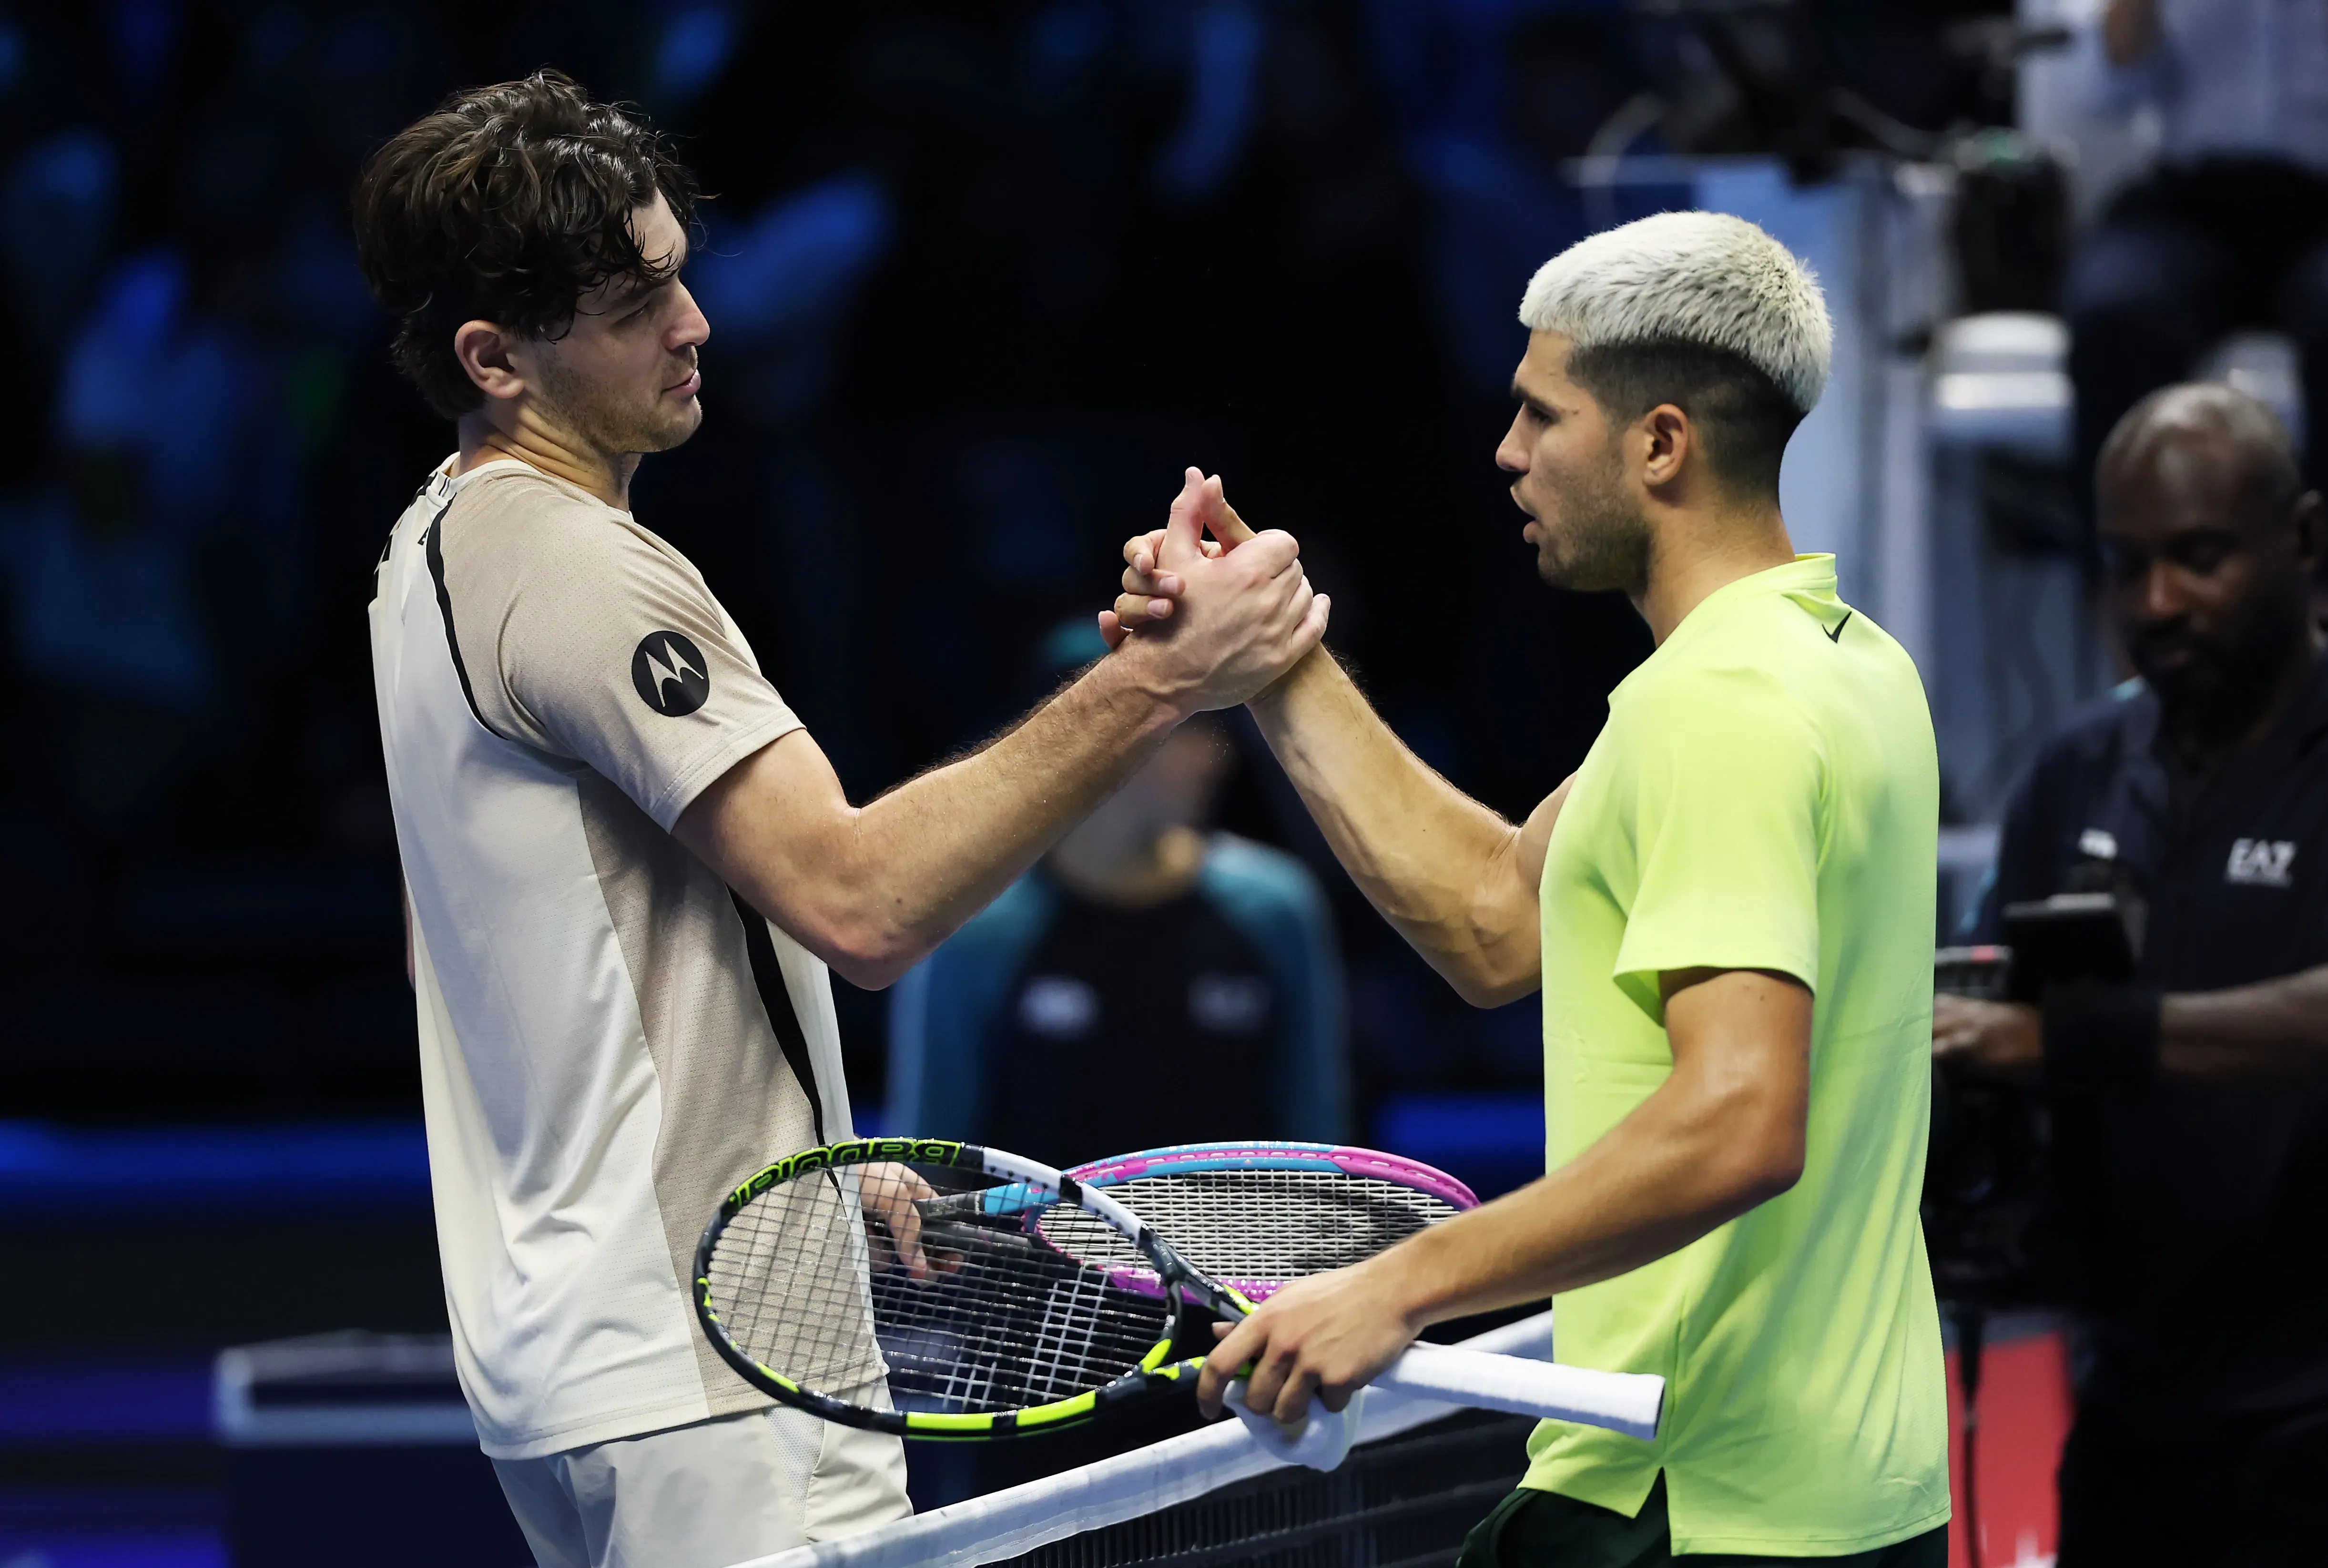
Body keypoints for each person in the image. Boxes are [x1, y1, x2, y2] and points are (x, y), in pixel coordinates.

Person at [354, 71, 1324, 1568]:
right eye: (633, 303)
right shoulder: (574, 568)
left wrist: (801, 1132)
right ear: (495, 357)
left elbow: (489, 948)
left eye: (678, 273)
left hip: (579, 1352)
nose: (695, 326)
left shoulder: (426, 548)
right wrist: (1159, 681)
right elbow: (863, 903)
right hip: (702, 1358)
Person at [1111, 212, 1948, 1564]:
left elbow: (1740, 1117)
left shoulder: (1717, 705)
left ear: (1658, 442)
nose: (1505, 451)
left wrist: (1394, 1289)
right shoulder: (1839, 663)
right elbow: (1494, 920)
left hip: (1696, 1496)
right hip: (1848, 1491)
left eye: (1539, 413)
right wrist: (1272, 650)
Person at [1934, 384, 2328, 1567]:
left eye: (2197, 559)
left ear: (2301, 541)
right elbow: (1994, 1007)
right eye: (2125, 564)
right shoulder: (2078, 765)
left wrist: (2071, 1042)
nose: (2156, 602)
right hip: (2125, 1411)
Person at [887, 619, 1350, 1162]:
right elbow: (927, 1163)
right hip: (1025, 1251)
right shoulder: (974, 930)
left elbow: (1318, 1146)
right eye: (1187, 725)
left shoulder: (1276, 909)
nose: (1213, 756)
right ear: (1087, 740)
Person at [2064, 0, 2328, 496]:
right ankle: (2131, 568)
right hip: (2190, 198)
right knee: (2116, 314)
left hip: (2318, 199)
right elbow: (2101, 90)